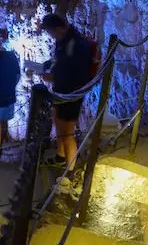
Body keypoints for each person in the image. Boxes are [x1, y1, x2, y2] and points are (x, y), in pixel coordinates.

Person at [41, 13, 92, 174]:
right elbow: (60, 61)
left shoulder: (77, 44)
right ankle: (61, 156)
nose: (51, 36)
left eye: (51, 33)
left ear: (59, 28)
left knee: (67, 132)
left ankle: (70, 172)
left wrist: (54, 76)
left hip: (71, 93)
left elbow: (79, 73)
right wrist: (47, 66)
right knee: (58, 124)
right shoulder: (62, 41)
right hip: (60, 90)